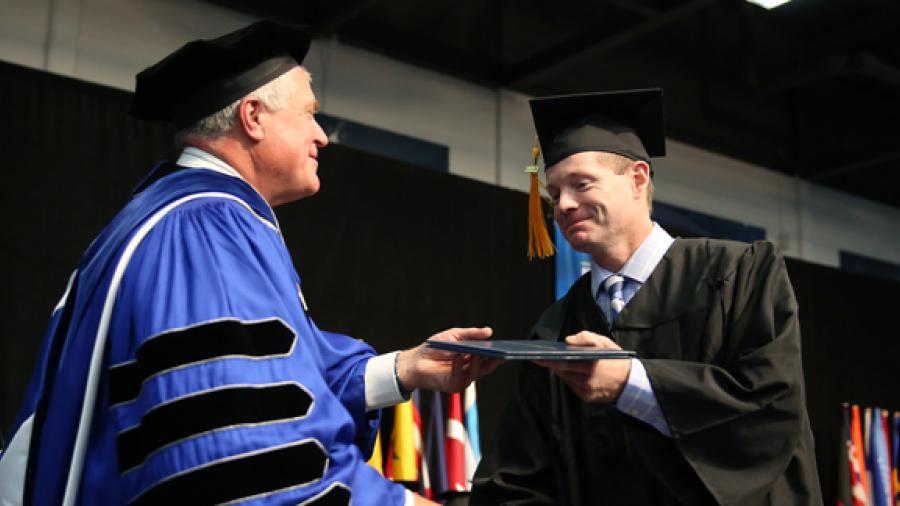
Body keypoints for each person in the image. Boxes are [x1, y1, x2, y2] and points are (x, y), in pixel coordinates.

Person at [0, 21, 497, 505]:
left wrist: (406, 367)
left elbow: (278, 378)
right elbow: (242, 448)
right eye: (309, 114)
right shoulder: (204, 228)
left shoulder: (175, 214)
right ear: (254, 116)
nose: (322, 136)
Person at [470, 89, 822, 504]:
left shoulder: (739, 273)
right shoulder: (555, 329)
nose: (563, 204)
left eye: (581, 184)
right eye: (553, 194)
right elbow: (517, 479)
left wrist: (632, 383)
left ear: (637, 179)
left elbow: (771, 407)